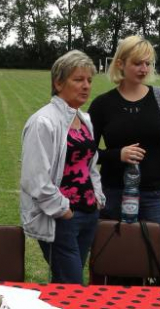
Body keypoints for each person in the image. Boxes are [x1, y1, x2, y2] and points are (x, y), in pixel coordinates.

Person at [88, 35, 160, 286]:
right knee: (113, 266)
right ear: (121, 64)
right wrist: (116, 155)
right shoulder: (103, 105)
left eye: (148, 63)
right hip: (113, 195)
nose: (144, 69)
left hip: (156, 195)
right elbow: (86, 152)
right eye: (138, 63)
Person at [20, 50, 105, 284]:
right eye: (78, 79)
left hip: (88, 213)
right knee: (71, 283)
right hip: (61, 218)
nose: (86, 86)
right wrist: (63, 210)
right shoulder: (43, 122)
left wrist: (97, 197)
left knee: (69, 281)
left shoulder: (84, 119)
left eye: (89, 80)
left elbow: (90, 164)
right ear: (58, 83)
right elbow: (34, 177)